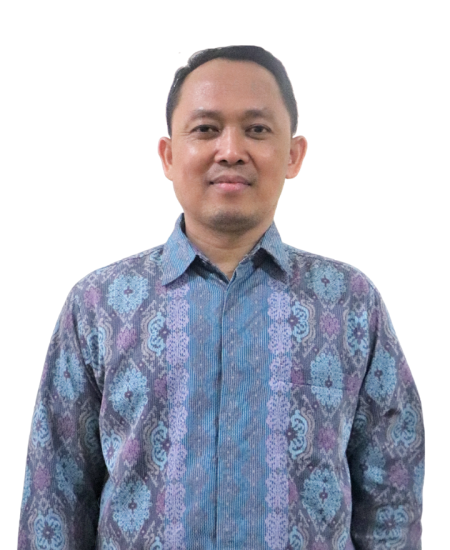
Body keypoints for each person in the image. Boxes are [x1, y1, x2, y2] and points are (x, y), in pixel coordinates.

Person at [18, 45, 424, 550]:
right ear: (169, 156)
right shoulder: (99, 305)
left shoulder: (350, 304)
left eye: (257, 129)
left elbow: (392, 498)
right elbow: (54, 497)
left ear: (293, 154)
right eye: (206, 129)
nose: (230, 150)